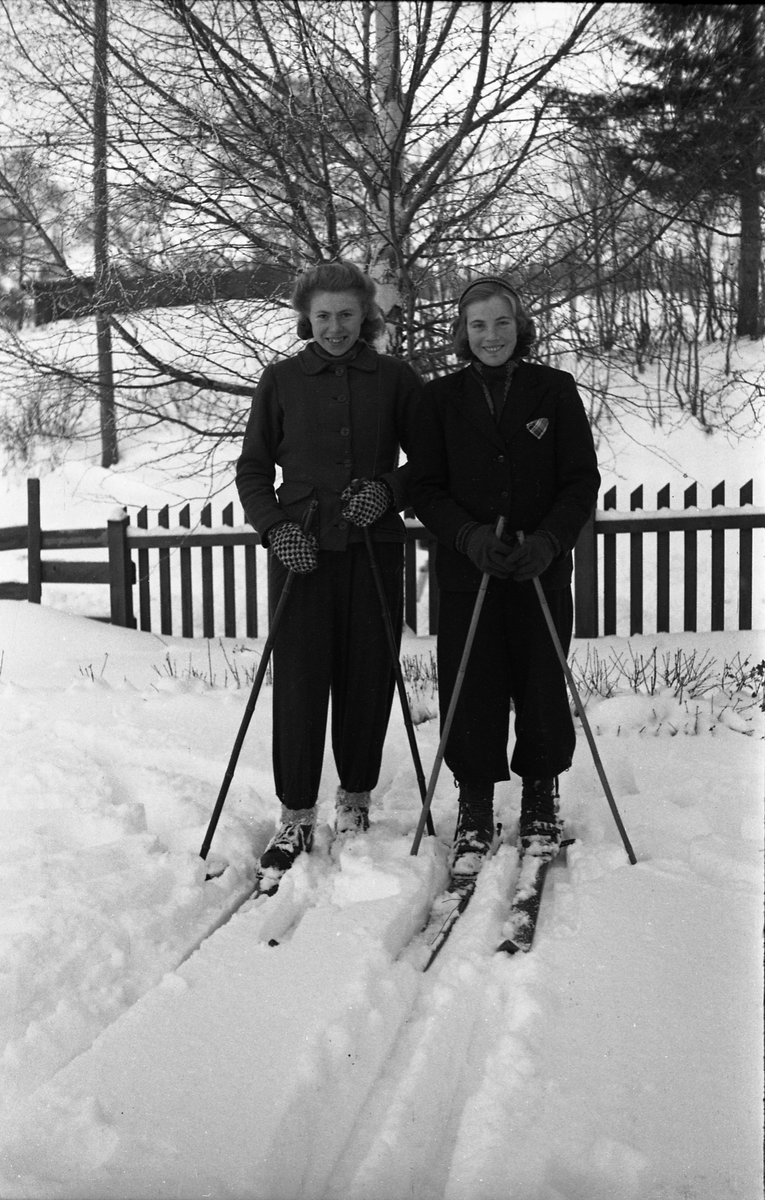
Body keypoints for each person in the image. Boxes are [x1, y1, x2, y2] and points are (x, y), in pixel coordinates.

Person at [236, 261, 422, 891]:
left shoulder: (395, 378)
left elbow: (429, 462)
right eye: (323, 316)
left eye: (347, 315)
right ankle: (294, 813)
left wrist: (390, 490)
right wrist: (275, 529)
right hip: (300, 554)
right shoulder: (281, 379)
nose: (336, 328)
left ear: (366, 315)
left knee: (368, 674)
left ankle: (356, 797)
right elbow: (254, 470)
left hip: (372, 547)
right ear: (306, 318)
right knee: (299, 681)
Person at [409, 277, 600, 867]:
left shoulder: (554, 389)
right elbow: (425, 486)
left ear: (520, 326)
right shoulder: (439, 399)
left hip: (538, 570)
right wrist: (466, 536)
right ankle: (474, 800)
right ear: (462, 334)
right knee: (472, 684)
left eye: (501, 323)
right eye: (478, 325)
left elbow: (580, 480)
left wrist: (549, 540)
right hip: (471, 573)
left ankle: (541, 794)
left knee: (542, 679)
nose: (491, 336)